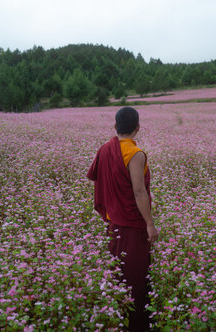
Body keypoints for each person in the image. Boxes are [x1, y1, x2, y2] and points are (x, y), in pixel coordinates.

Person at [86, 106, 158, 331]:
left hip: (114, 222)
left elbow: (98, 179)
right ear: (137, 127)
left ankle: (117, 318)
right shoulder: (135, 153)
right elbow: (139, 192)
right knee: (135, 275)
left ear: (116, 126)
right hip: (133, 225)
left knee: (119, 271)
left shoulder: (105, 149)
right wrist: (149, 223)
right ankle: (137, 325)